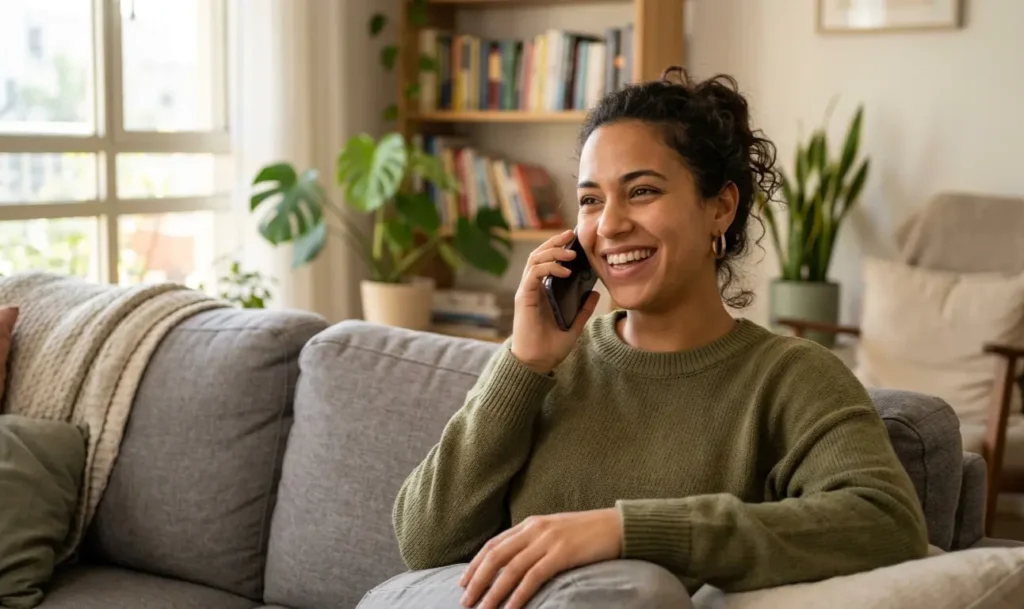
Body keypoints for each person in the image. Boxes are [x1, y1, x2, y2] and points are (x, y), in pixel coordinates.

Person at [357, 67, 929, 609]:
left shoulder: (789, 377)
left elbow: (885, 520)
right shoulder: (545, 367)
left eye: (642, 191)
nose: (608, 225)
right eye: (590, 200)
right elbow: (425, 545)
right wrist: (524, 363)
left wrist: (626, 530)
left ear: (720, 207)